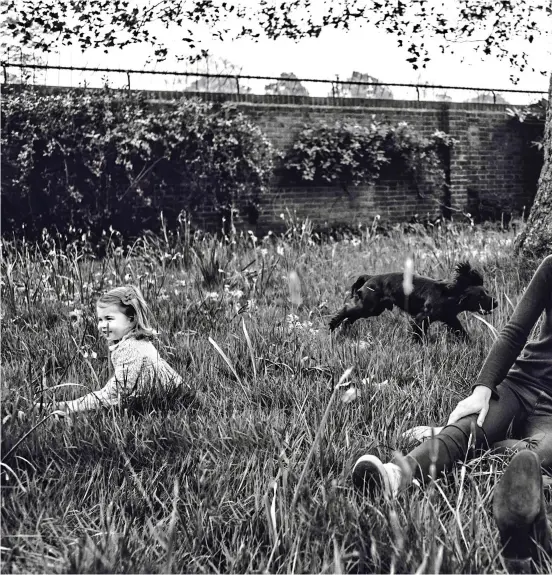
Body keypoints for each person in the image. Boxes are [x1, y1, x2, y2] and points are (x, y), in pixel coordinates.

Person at [352, 255, 552, 563]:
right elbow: (515, 331)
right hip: (520, 383)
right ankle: (394, 476)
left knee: (538, 454)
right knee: (471, 426)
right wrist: (483, 389)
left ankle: (522, 500)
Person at [34, 285, 185, 414]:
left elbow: (122, 388)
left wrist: (99, 396)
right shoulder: (136, 340)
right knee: (97, 399)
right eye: (100, 319)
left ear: (131, 319)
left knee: (100, 402)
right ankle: (63, 408)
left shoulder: (130, 347)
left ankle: (63, 410)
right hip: (160, 394)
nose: (101, 325)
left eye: (109, 319)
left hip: (151, 398)